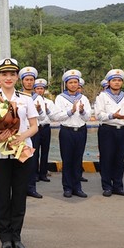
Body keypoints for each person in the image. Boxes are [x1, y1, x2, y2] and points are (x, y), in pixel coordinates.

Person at [0, 58, 38, 248]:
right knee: (3, 196)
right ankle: (5, 237)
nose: (8, 78)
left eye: (12, 74)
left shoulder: (26, 99)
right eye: (4, 74)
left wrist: (21, 136)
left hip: (22, 152)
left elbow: (34, 126)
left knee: (20, 194)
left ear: (17, 77)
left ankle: (16, 235)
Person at [52, 69, 91, 198]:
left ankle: (77, 187)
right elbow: (56, 116)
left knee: (78, 159)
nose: (73, 85)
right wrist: (70, 111)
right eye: (71, 82)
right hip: (67, 131)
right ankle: (67, 188)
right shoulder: (60, 98)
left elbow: (88, 117)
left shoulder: (83, 98)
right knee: (67, 160)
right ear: (66, 84)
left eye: (75, 82)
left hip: (81, 130)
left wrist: (82, 111)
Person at [94, 69, 124, 197]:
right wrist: (113, 115)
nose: (117, 83)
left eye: (119, 80)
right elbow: (99, 115)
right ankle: (106, 186)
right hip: (107, 129)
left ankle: (118, 186)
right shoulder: (102, 96)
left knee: (119, 158)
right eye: (114, 80)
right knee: (106, 158)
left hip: (121, 130)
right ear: (109, 82)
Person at [19, 66, 43, 199]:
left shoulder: (38, 98)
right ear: (22, 81)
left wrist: (39, 111)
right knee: (21, 161)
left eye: (31, 80)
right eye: (26, 80)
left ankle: (31, 187)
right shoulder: (19, 97)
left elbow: (45, 117)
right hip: (22, 133)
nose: (29, 82)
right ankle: (21, 187)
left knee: (33, 160)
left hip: (34, 132)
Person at [33, 78, 54, 183]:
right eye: (37, 88)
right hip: (36, 128)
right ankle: (35, 174)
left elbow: (54, 115)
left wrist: (47, 110)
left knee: (45, 151)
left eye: (42, 88)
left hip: (45, 127)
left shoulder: (49, 102)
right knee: (35, 152)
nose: (40, 90)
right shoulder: (31, 100)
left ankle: (43, 173)